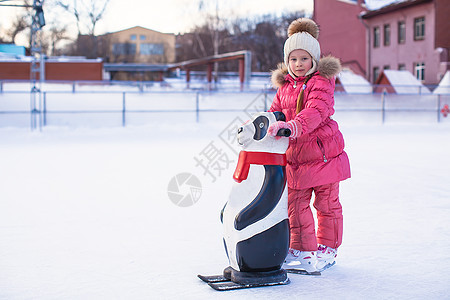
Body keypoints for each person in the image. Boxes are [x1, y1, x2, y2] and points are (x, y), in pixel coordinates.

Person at [267, 17, 351, 272]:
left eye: (304, 58)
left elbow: (315, 111)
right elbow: (275, 112)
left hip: (323, 154)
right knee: (295, 204)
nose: (298, 64)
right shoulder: (285, 87)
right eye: (293, 59)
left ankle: (327, 248)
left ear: (313, 59)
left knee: (326, 204)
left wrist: (293, 126)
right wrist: (261, 125)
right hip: (296, 156)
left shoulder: (321, 82)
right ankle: (302, 250)